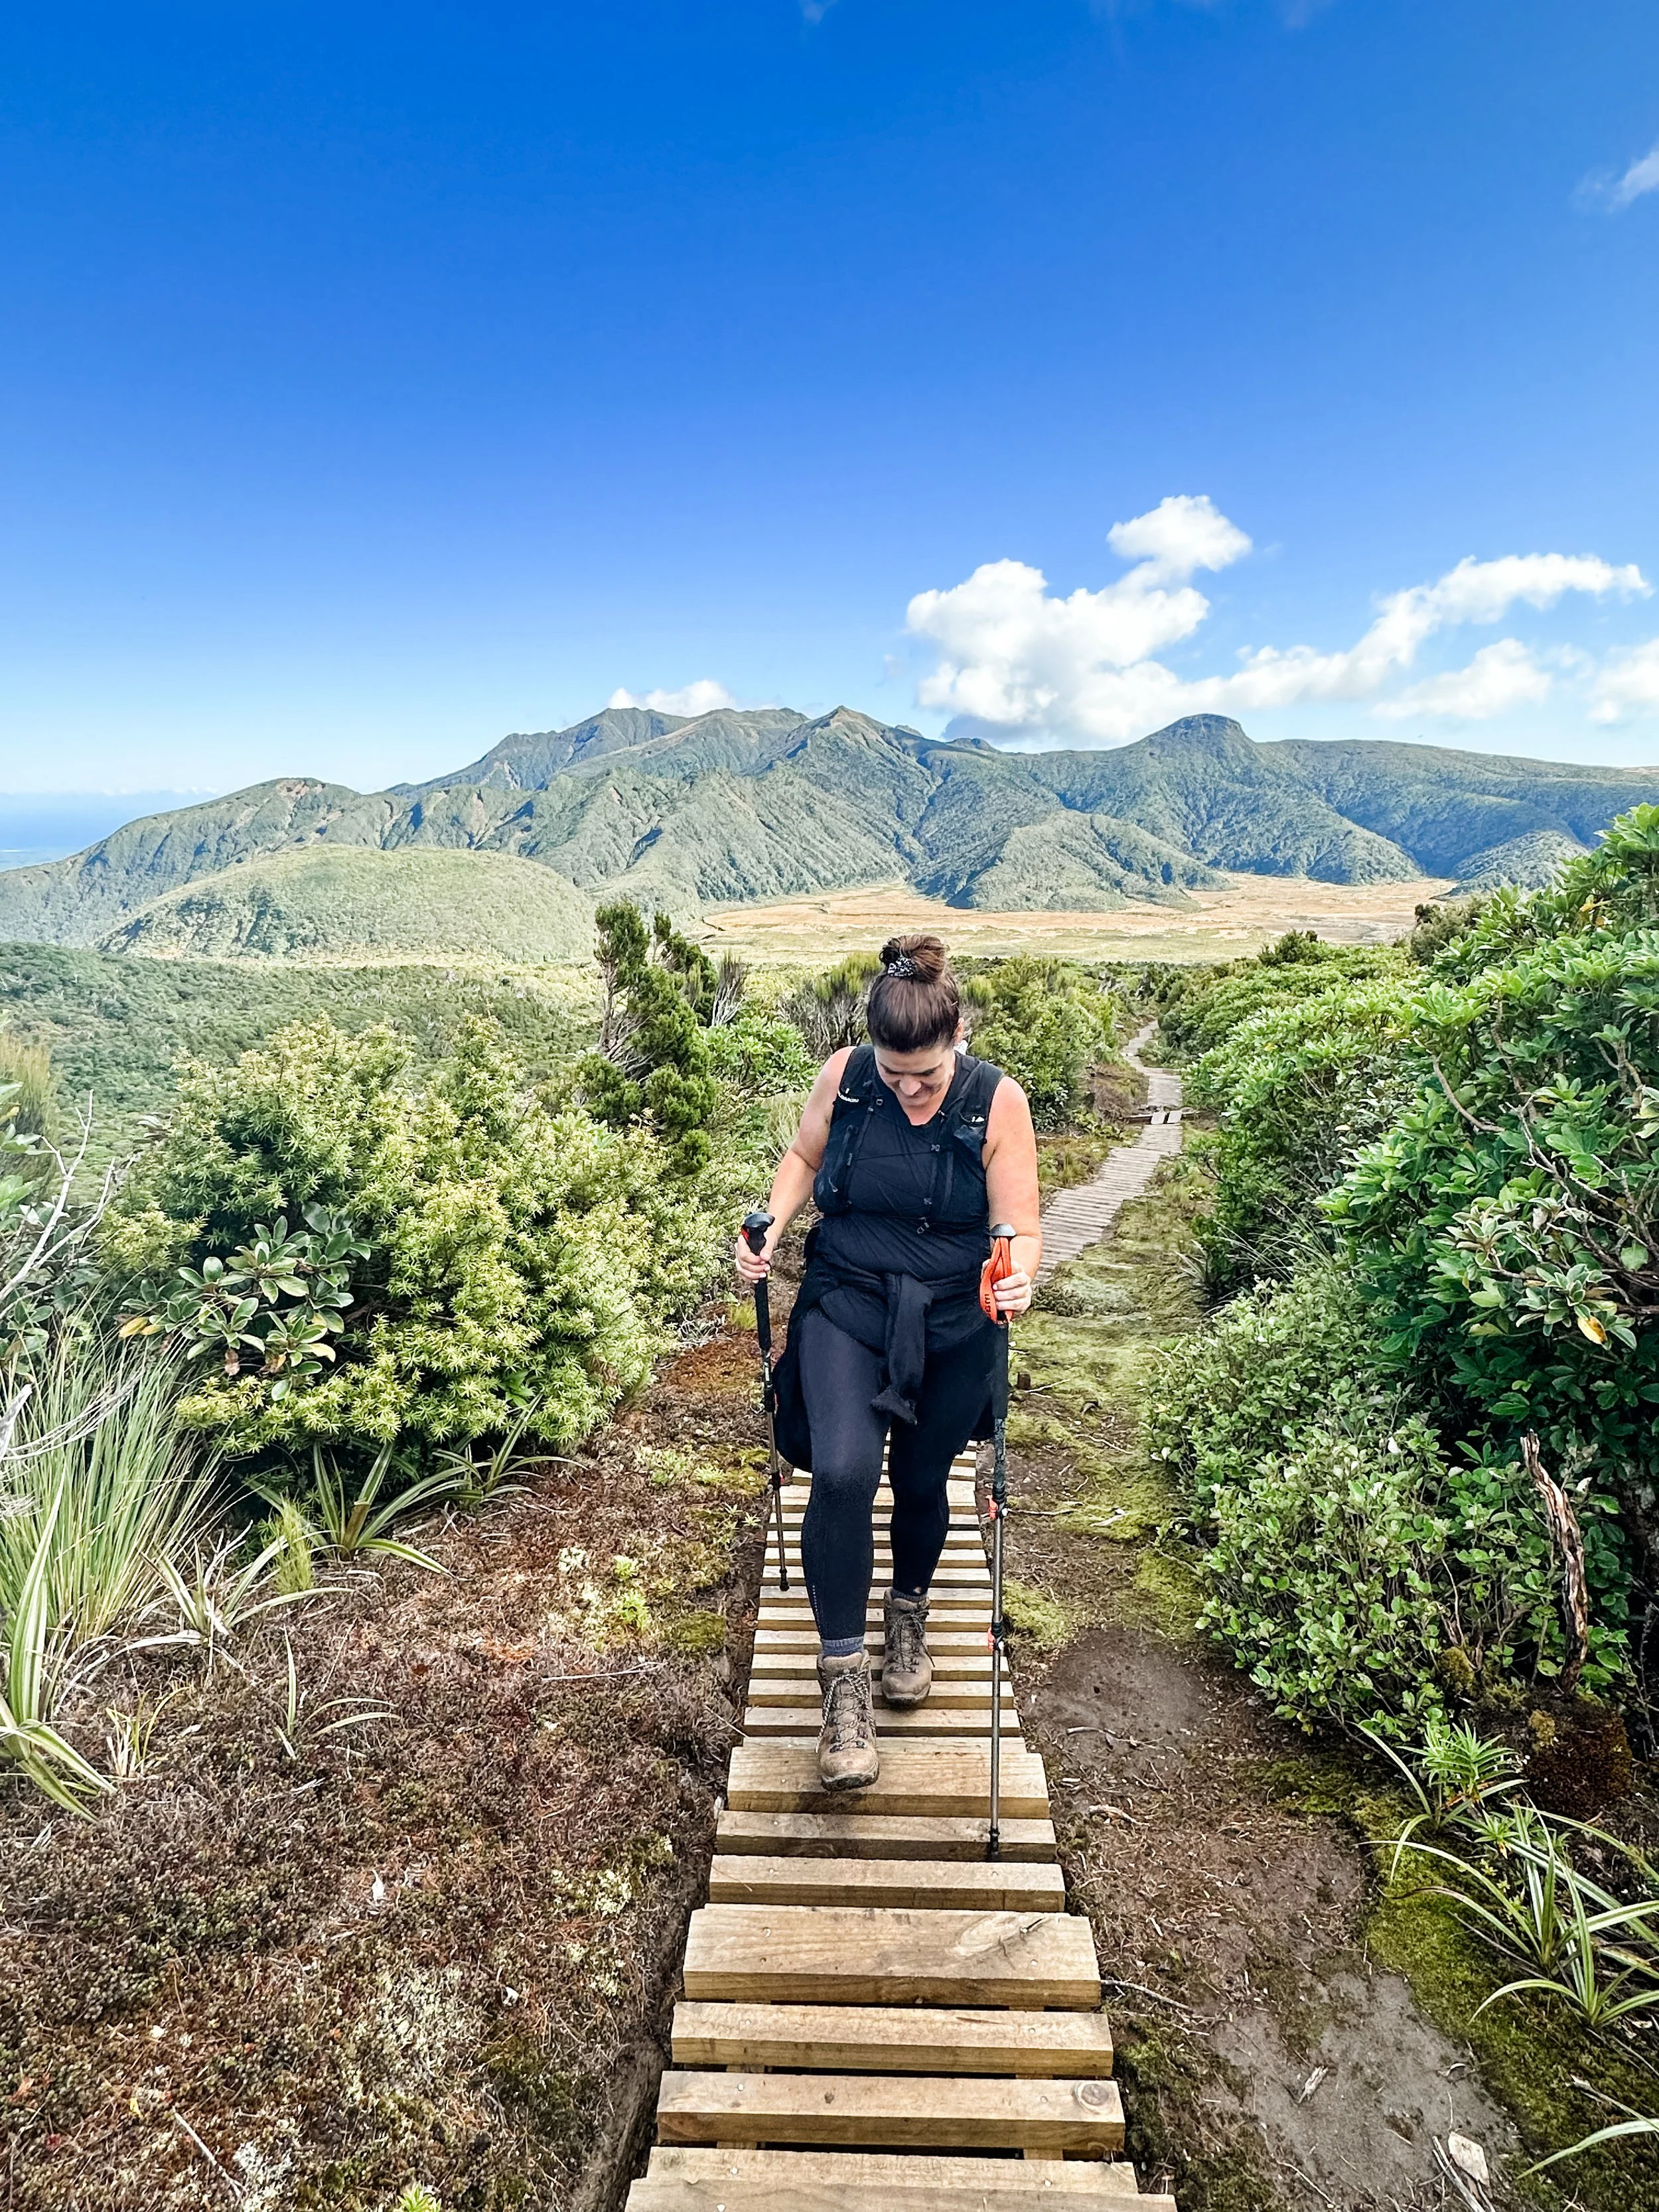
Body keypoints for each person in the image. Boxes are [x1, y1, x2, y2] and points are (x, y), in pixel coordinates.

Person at [734, 934, 1040, 1790]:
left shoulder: (996, 1102)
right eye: (895, 1074)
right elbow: (805, 1157)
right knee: (841, 1472)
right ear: (871, 1048)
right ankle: (842, 1685)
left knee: (921, 1477)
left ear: (959, 1038)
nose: (909, 1091)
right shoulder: (845, 1076)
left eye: (927, 1078)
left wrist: (1018, 1279)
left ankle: (908, 1613)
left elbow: (1020, 1223)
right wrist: (770, 1227)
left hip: (954, 1318)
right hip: (848, 1300)